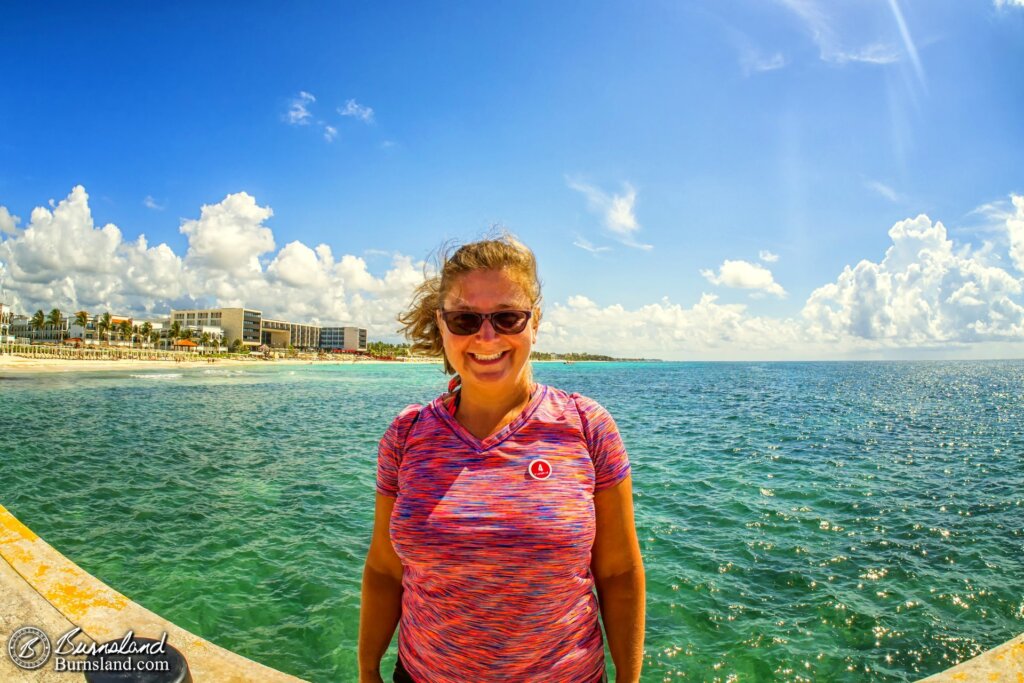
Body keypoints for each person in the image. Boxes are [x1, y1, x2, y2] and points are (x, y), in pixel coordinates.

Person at [358, 235, 645, 683]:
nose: (486, 337)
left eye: (508, 317)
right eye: (465, 318)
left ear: (535, 323)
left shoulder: (588, 426)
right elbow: (382, 568)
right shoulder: (406, 434)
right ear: (442, 324)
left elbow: (619, 571)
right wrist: (366, 668)